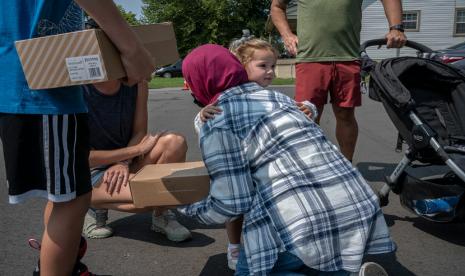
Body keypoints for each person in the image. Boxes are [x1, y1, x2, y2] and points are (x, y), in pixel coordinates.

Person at [179, 44, 396, 276]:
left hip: (303, 220)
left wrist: (184, 207)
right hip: (357, 204)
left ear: (200, 81)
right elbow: (307, 110)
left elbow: (233, 202)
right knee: (318, 256)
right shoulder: (276, 98)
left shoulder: (216, 119)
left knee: (255, 268)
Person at [0, 0, 154, 275]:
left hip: (26, 86)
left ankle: (60, 263)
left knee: (65, 196)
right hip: (44, 92)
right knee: (72, 201)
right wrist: (132, 48)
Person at [195, 38, 317, 271]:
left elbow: (299, 106)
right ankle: (234, 246)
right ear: (241, 66)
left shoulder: (272, 96)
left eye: (272, 66)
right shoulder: (222, 99)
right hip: (241, 170)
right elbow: (204, 126)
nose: (270, 72)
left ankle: (269, 250)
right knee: (236, 209)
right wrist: (202, 115)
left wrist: (309, 108)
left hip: (265, 170)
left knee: (268, 215)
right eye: (263, 66)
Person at [270, 0, 407, 162]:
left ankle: (347, 165)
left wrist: (396, 28)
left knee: (345, 115)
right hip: (310, 58)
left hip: (347, 57)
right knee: (307, 115)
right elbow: (277, 6)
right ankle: (309, 166)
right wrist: (287, 35)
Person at [81, 79, 191, 242]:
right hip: (90, 171)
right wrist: (134, 151)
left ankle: (161, 215)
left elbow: (139, 132)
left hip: (126, 162)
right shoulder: (76, 88)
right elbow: (80, 157)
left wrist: (122, 162)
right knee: (152, 196)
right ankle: (88, 205)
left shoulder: (136, 82)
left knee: (175, 142)